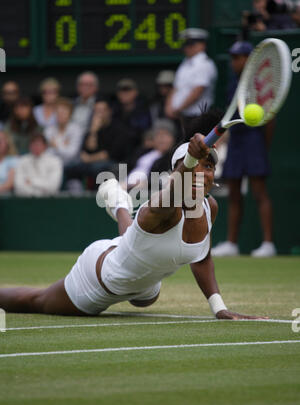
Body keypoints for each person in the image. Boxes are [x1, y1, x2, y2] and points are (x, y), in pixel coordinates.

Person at [0, 110, 266, 321]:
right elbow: (176, 189)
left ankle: (118, 202)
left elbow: (201, 257)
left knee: (145, 293)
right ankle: (119, 203)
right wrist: (190, 162)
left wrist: (218, 307)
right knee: (36, 301)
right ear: (177, 171)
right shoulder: (164, 204)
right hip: (101, 279)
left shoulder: (210, 208)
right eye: (196, 165)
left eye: (209, 166)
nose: (203, 172)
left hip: (144, 281)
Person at [212, 41, 277, 257]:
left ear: (249, 59)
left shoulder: (260, 82)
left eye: (237, 57)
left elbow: (270, 117)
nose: (233, 62)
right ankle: (232, 244)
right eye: (232, 58)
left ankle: (268, 244)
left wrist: (262, 146)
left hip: (253, 141)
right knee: (234, 194)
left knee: (259, 192)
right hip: (237, 143)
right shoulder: (233, 83)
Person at [64, 99, 132, 188]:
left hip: (116, 163)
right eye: (96, 111)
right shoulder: (93, 128)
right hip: (93, 163)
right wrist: (93, 132)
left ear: (109, 112)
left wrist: (89, 159)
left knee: (97, 168)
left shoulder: (119, 129)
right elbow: (88, 150)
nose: (99, 114)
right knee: (69, 168)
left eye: (102, 110)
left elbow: (107, 155)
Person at [165, 28, 218, 133]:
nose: (187, 47)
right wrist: (169, 106)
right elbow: (176, 87)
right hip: (182, 116)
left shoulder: (204, 64)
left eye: (191, 44)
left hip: (198, 117)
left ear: (202, 45)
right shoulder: (185, 63)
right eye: (186, 44)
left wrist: (178, 109)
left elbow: (197, 91)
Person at [14, 133, 63, 197]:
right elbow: (18, 186)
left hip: (49, 201)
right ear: (29, 146)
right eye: (33, 144)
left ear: (45, 146)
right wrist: (37, 192)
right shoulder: (22, 161)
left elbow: (53, 187)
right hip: (26, 200)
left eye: (38, 145)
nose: (36, 147)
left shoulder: (55, 161)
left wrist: (31, 181)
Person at [113, 78, 152, 148]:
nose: (124, 93)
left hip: (138, 148)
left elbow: (143, 131)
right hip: (117, 150)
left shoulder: (144, 109)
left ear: (136, 92)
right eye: (122, 90)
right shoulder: (113, 110)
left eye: (128, 90)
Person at [45, 98, 84, 165]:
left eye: (63, 112)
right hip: (51, 164)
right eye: (58, 112)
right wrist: (63, 145)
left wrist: (56, 146)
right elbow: (47, 152)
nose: (60, 115)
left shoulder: (76, 129)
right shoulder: (49, 130)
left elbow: (72, 154)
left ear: (70, 114)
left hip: (71, 166)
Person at [0, 130, 19, 194]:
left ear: (7, 143)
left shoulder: (14, 160)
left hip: (6, 198)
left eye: (1, 141)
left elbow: (10, 184)